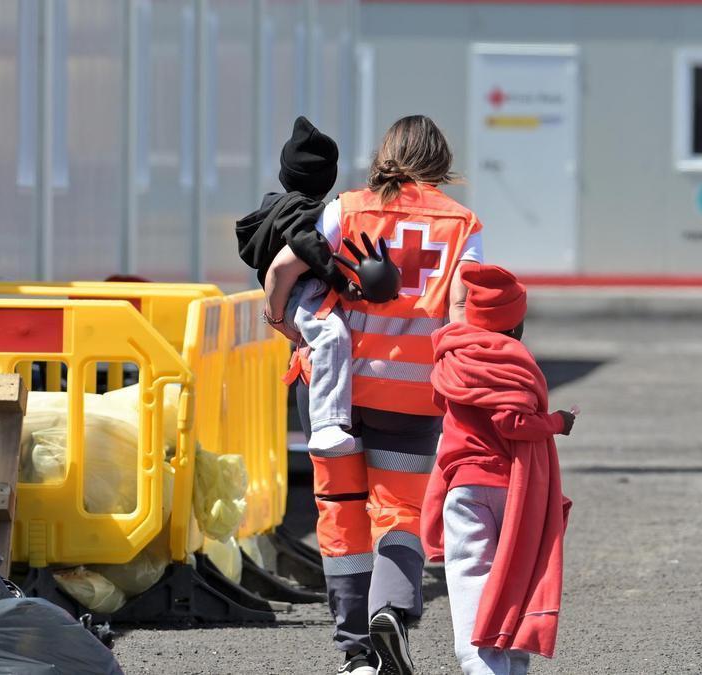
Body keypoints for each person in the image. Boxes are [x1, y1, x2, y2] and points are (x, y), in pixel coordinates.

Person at [266, 115, 485, 675]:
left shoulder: (348, 208)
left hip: (331, 390)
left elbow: (284, 266)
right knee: (400, 510)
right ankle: (391, 610)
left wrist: (282, 321)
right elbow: (462, 311)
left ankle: (356, 651)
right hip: (412, 398)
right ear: (441, 161)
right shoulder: (463, 224)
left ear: (386, 153)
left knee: (340, 510)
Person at [421, 265, 576, 675]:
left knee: (470, 573)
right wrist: (558, 421)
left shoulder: (452, 355)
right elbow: (513, 423)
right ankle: (514, 665)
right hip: (514, 488)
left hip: (465, 488)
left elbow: (459, 307)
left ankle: (480, 665)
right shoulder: (515, 362)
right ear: (516, 324)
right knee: (520, 574)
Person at [238, 116, 360, 455]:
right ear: (327, 180)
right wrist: (338, 280)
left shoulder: (275, 206)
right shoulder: (303, 212)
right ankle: (327, 424)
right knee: (331, 334)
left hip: (289, 297)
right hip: (299, 292)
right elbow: (304, 249)